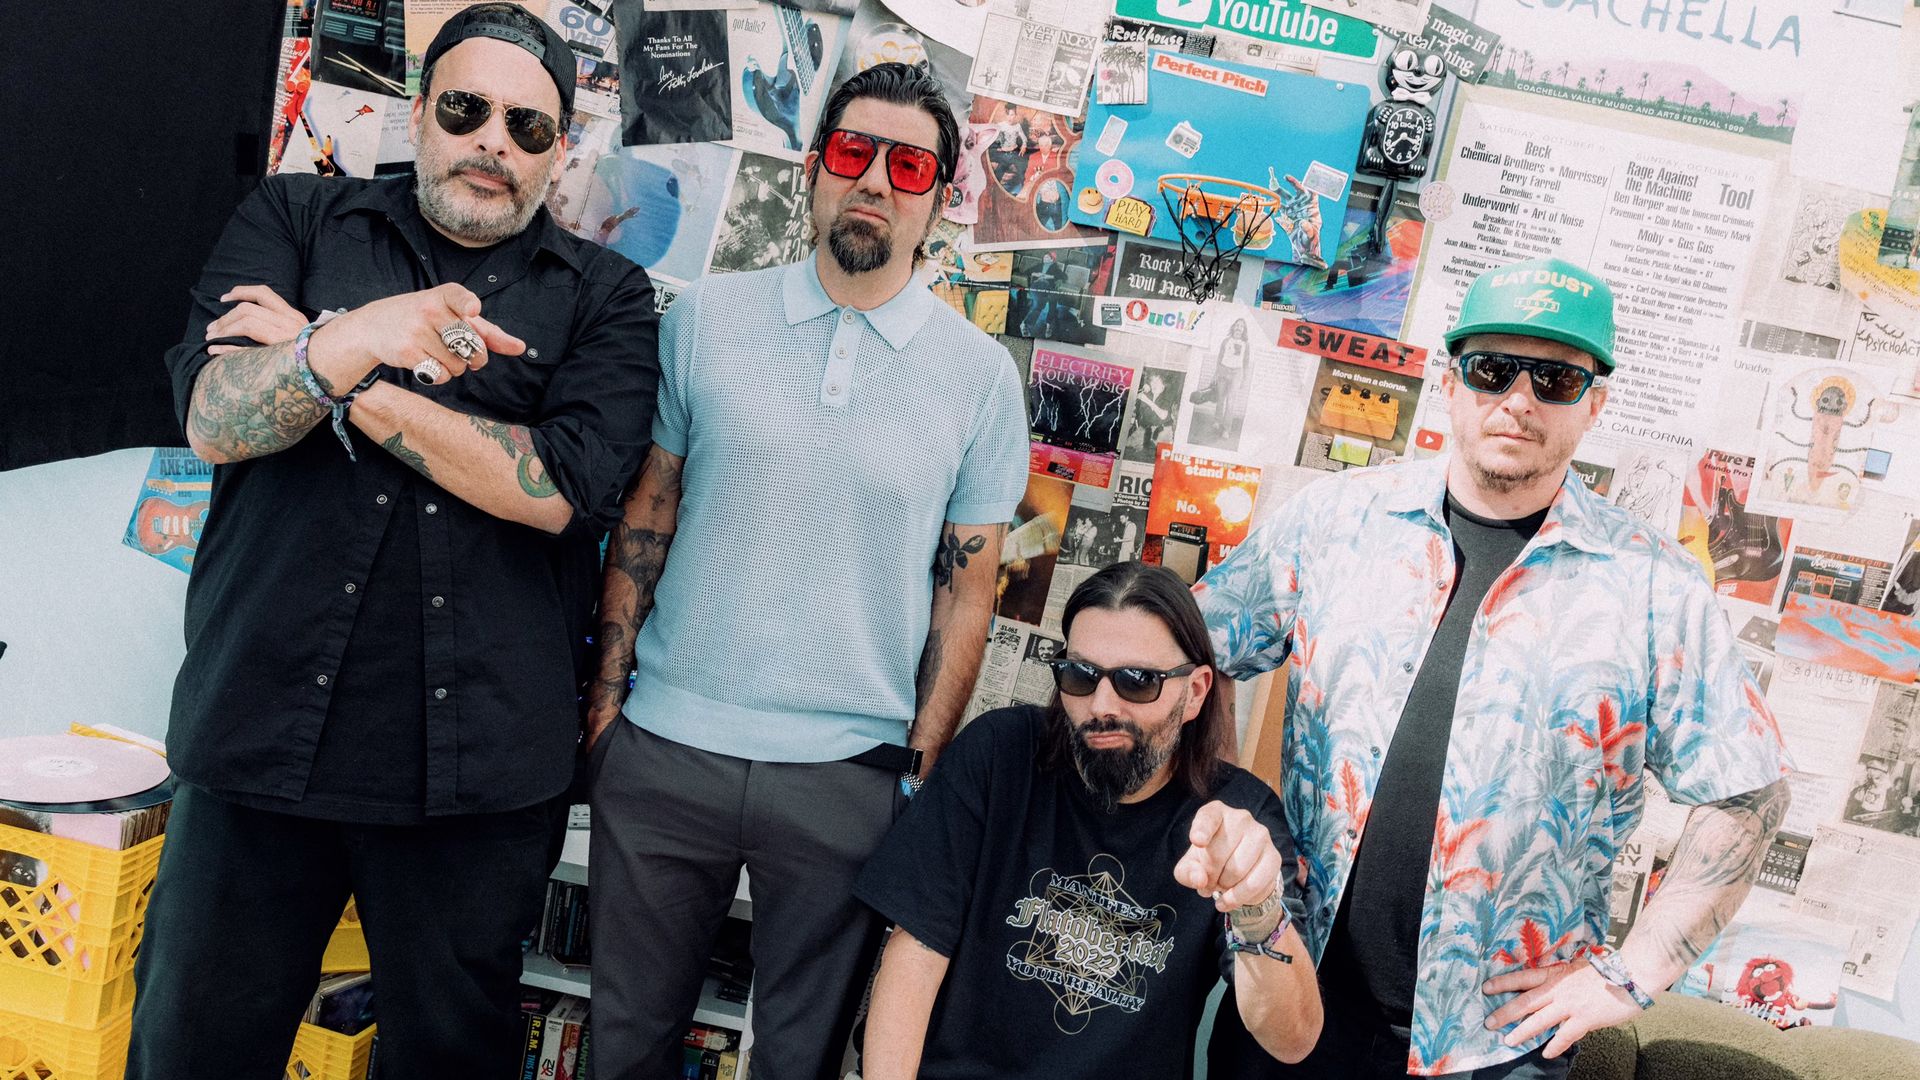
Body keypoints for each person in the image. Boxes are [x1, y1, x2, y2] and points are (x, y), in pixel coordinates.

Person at [130, 6, 660, 1078]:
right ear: (419, 113)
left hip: (477, 781)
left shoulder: (608, 296)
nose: (494, 143)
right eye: (466, 109)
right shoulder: (296, 217)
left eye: (529, 126)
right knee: (192, 1051)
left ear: (559, 153)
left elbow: (563, 490)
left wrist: (335, 361)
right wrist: (359, 338)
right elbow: (214, 417)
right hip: (257, 737)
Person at [1199, 256, 1790, 1079]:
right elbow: (1188, 656)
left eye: (1555, 379)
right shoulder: (1334, 524)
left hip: (1496, 1049)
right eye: (1494, 369)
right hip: (1293, 1001)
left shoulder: (1654, 587)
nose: (1520, 400)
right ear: (1451, 382)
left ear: (1595, 406)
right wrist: (1225, 814)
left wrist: (1634, 974)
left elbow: (1749, 790)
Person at [584, 63, 1031, 1079]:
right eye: (851, 151)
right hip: (665, 751)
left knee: (799, 1059)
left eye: (908, 163)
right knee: (624, 1049)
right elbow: (649, 511)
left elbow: (970, 589)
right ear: (812, 172)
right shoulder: (703, 320)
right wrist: (608, 714)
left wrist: (914, 767)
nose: (875, 179)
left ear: (939, 199)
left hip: (847, 777)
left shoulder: (978, 380)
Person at [857, 562, 1323, 1077]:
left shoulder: (1237, 818)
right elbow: (916, 952)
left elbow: (1291, 1038)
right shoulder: (1000, 755)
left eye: (1137, 682)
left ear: (1194, 693)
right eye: (1080, 675)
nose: (1101, 706)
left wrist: (1256, 911)